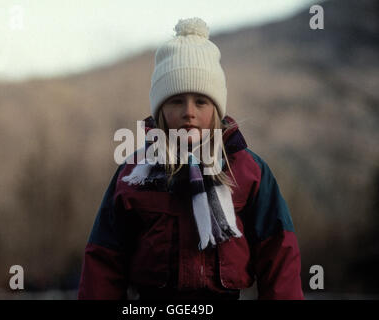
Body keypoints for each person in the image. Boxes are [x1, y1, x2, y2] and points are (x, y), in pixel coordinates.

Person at [77, 17, 304, 300]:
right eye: (175, 101)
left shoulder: (249, 172)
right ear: (160, 110)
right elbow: (103, 260)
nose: (189, 112)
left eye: (201, 101)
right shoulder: (133, 175)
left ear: (216, 109)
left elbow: (278, 255)